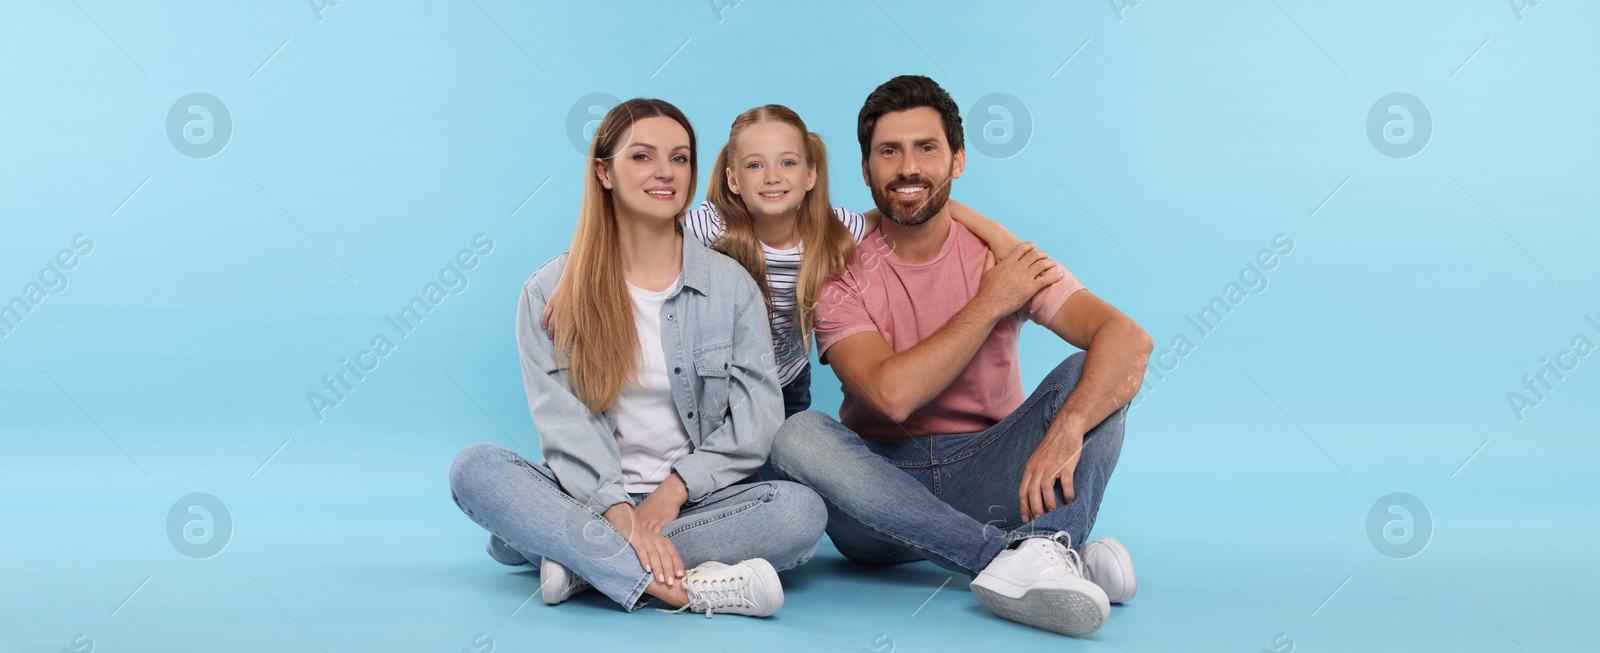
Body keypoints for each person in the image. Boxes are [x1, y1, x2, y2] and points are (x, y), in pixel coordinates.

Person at [767, 76, 1155, 637]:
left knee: (1090, 377)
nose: (908, 168)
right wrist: (991, 302)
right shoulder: (835, 267)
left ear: (958, 161)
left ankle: (1047, 551)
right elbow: (890, 395)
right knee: (797, 434)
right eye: (889, 151)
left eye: (927, 148)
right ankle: (1037, 555)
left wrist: (1069, 427)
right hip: (876, 495)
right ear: (866, 168)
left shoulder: (1005, 256)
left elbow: (1129, 341)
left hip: (991, 475)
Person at [448, 98, 827, 618]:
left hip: (698, 505)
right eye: (642, 157)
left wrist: (674, 490)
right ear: (604, 172)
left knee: (799, 513)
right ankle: (679, 588)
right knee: (475, 468)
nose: (665, 173)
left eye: (680, 158)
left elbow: (757, 420)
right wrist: (619, 514)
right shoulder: (548, 291)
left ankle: (578, 563)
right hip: (586, 497)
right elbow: (566, 427)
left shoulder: (732, 287)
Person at [543, 104, 1026, 423]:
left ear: (812, 174)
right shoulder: (711, 226)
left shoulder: (835, 231)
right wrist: (571, 279)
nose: (772, 177)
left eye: (788, 163)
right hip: (719, 383)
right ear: (733, 179)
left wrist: (1003, 240)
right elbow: (633, 238)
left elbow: (912, 202)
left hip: (788, 385)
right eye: (755, 165)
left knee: (788, 476)